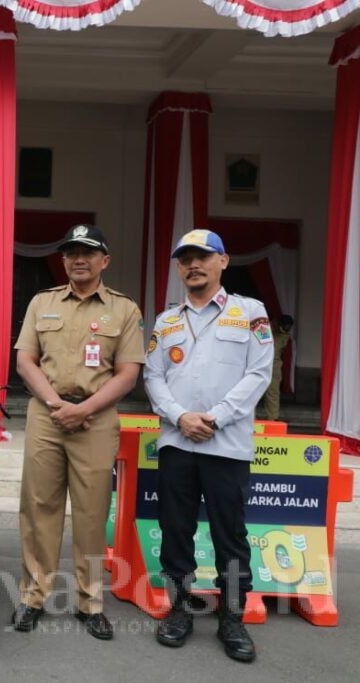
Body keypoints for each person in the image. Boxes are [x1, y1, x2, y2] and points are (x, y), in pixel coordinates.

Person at [144, 228, 273, 663]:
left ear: (223, 261)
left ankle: (231, 618)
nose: (193, 265)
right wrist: (181, 416)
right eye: (185, 259)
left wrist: (215, 417)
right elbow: (153, 377)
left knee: (230, 535)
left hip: (227, 444)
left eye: (203, 256)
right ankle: (179, 609)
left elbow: (258, 375)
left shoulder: (250, 312)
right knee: (175, 530)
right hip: (177, 443)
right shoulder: (166, 322)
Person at [13, 224, 144, 640]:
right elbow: (25, 361)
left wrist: (83, 409)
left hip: (96, 419)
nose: (78, 259)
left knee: (90, 514)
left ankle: (90, 604)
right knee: (39, 509)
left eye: (87, 252)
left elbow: (128, 374)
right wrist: (57, 405)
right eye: (70, 252)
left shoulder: (123, 310)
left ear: (105, 260)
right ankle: (34, 597)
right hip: (47, 416)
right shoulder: (43, 302)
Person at [262, 314, 293, 421]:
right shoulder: (264, 328)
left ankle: (273, 417)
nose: (285, 329)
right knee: (252, 391)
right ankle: (246, 417)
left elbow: (282, 349)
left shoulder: (285, 334)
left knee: (273, 392)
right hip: (260, 363)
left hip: (275, 365)